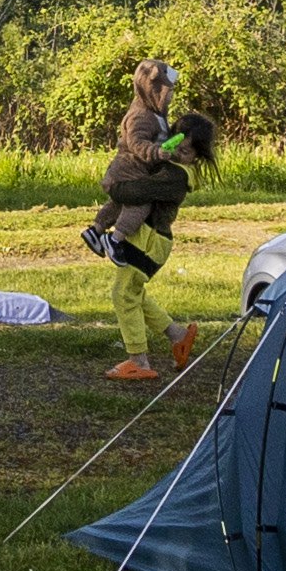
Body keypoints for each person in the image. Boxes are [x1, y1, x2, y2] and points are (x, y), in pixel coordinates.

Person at [82, 65, 216, 379]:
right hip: (150, 238)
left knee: (124, 294)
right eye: (176, 144)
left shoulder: (175, 177)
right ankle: (178, 337)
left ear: (197, 154)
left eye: (186, 150)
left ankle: (138, 362)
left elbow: (135, 191)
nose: (178, 151)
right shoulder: (172, 167)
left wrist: (113, 184)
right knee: (134, 292)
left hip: (150, 240)